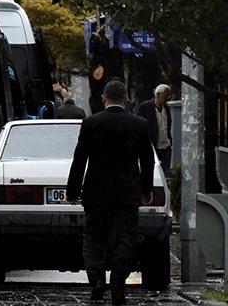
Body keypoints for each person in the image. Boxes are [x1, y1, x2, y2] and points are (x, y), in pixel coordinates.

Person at [67, 79, 155, 305]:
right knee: (124, 239)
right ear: (126, 100)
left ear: (103, 99)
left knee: (93, 237)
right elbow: (147, 162)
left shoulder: (90, 123)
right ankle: (118, 283)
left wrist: (72, 190)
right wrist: (146, 190)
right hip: (126, 194)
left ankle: (96, 279)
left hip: (96, 193)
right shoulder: (139, 124)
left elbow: (80, 160)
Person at [148, 84, 174, 173]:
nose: (168, 98)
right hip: (153, 147)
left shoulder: (166, 108)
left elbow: (168, 125)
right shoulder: (146, 107)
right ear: (158, 95)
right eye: (166, 95)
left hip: (166, 146)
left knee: (165, 171)